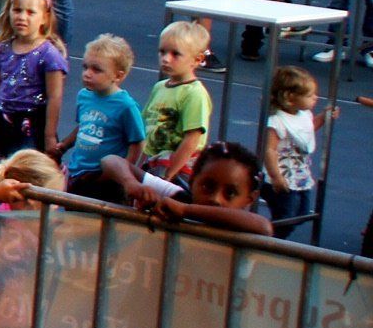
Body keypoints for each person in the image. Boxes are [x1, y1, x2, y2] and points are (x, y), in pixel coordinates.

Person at [96, 141, 272, 236]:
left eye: (230, 193)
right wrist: (131, 183)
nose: (216, 199)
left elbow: (264, 227)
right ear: (193, 180)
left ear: (250, 199)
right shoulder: (176, 196)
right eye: (207, 187)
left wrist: (185, 210)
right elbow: (110, 160)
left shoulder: (244, 225)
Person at [0, 0, 67, 165]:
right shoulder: (4, 48)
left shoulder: (49, 55)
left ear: (45, 18)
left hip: (32, 125)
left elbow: (55, 97)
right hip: (4, 121)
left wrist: (50, 135)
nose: (22, 17)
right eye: (17, 10)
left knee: (26, 170)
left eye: (30, 12)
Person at [58, 35, 147, 197]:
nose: (87, 74)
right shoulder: (84, 96)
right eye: (85, 67)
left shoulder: (126, 106)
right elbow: (84, 126)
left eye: (96, 69)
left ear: (118, 76)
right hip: (78, 171)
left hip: (104, 178)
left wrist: (123, 172)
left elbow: (137, 142)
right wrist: (64, 145)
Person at [141, 20, 214, 185]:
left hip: (179, 170)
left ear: (197, 59)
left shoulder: (194, 93)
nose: (166, 59)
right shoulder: (159, 87)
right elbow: (148, 130)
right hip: (154, 163)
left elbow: (192, 140)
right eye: (162, 52)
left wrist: (169, 175)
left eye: (175, 54)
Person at [260, 65, 325, 231]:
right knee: (286, 216)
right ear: (290, 97)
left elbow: (307, 131)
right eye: (309, 95)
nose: (315, 98)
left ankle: (273, 236)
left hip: (300, 174)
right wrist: (275, 176)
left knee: (302, 212)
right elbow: (269, 150)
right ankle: (269, 239)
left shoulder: (304, 114)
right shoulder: (277, 121)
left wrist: (324, 118)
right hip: (282, 175)